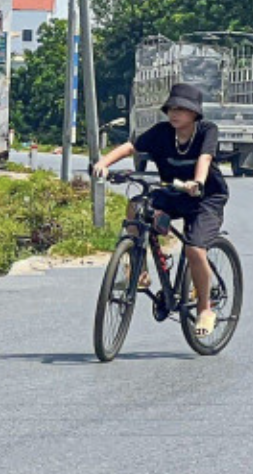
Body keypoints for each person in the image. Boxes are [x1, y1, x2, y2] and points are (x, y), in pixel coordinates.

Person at [91, 82, 228, 337]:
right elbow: (131, 147)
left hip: (206, 197)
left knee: (195, 248)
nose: (175, 114)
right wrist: (104, 163)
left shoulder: (207, 130)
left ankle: (205, 309)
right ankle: (139, 270)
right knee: (136, 206)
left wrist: (197, 183)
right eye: (172, 108)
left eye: (182, 109)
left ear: (194, 113)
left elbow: (205, 158)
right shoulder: (162, 132)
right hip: (173, 192)